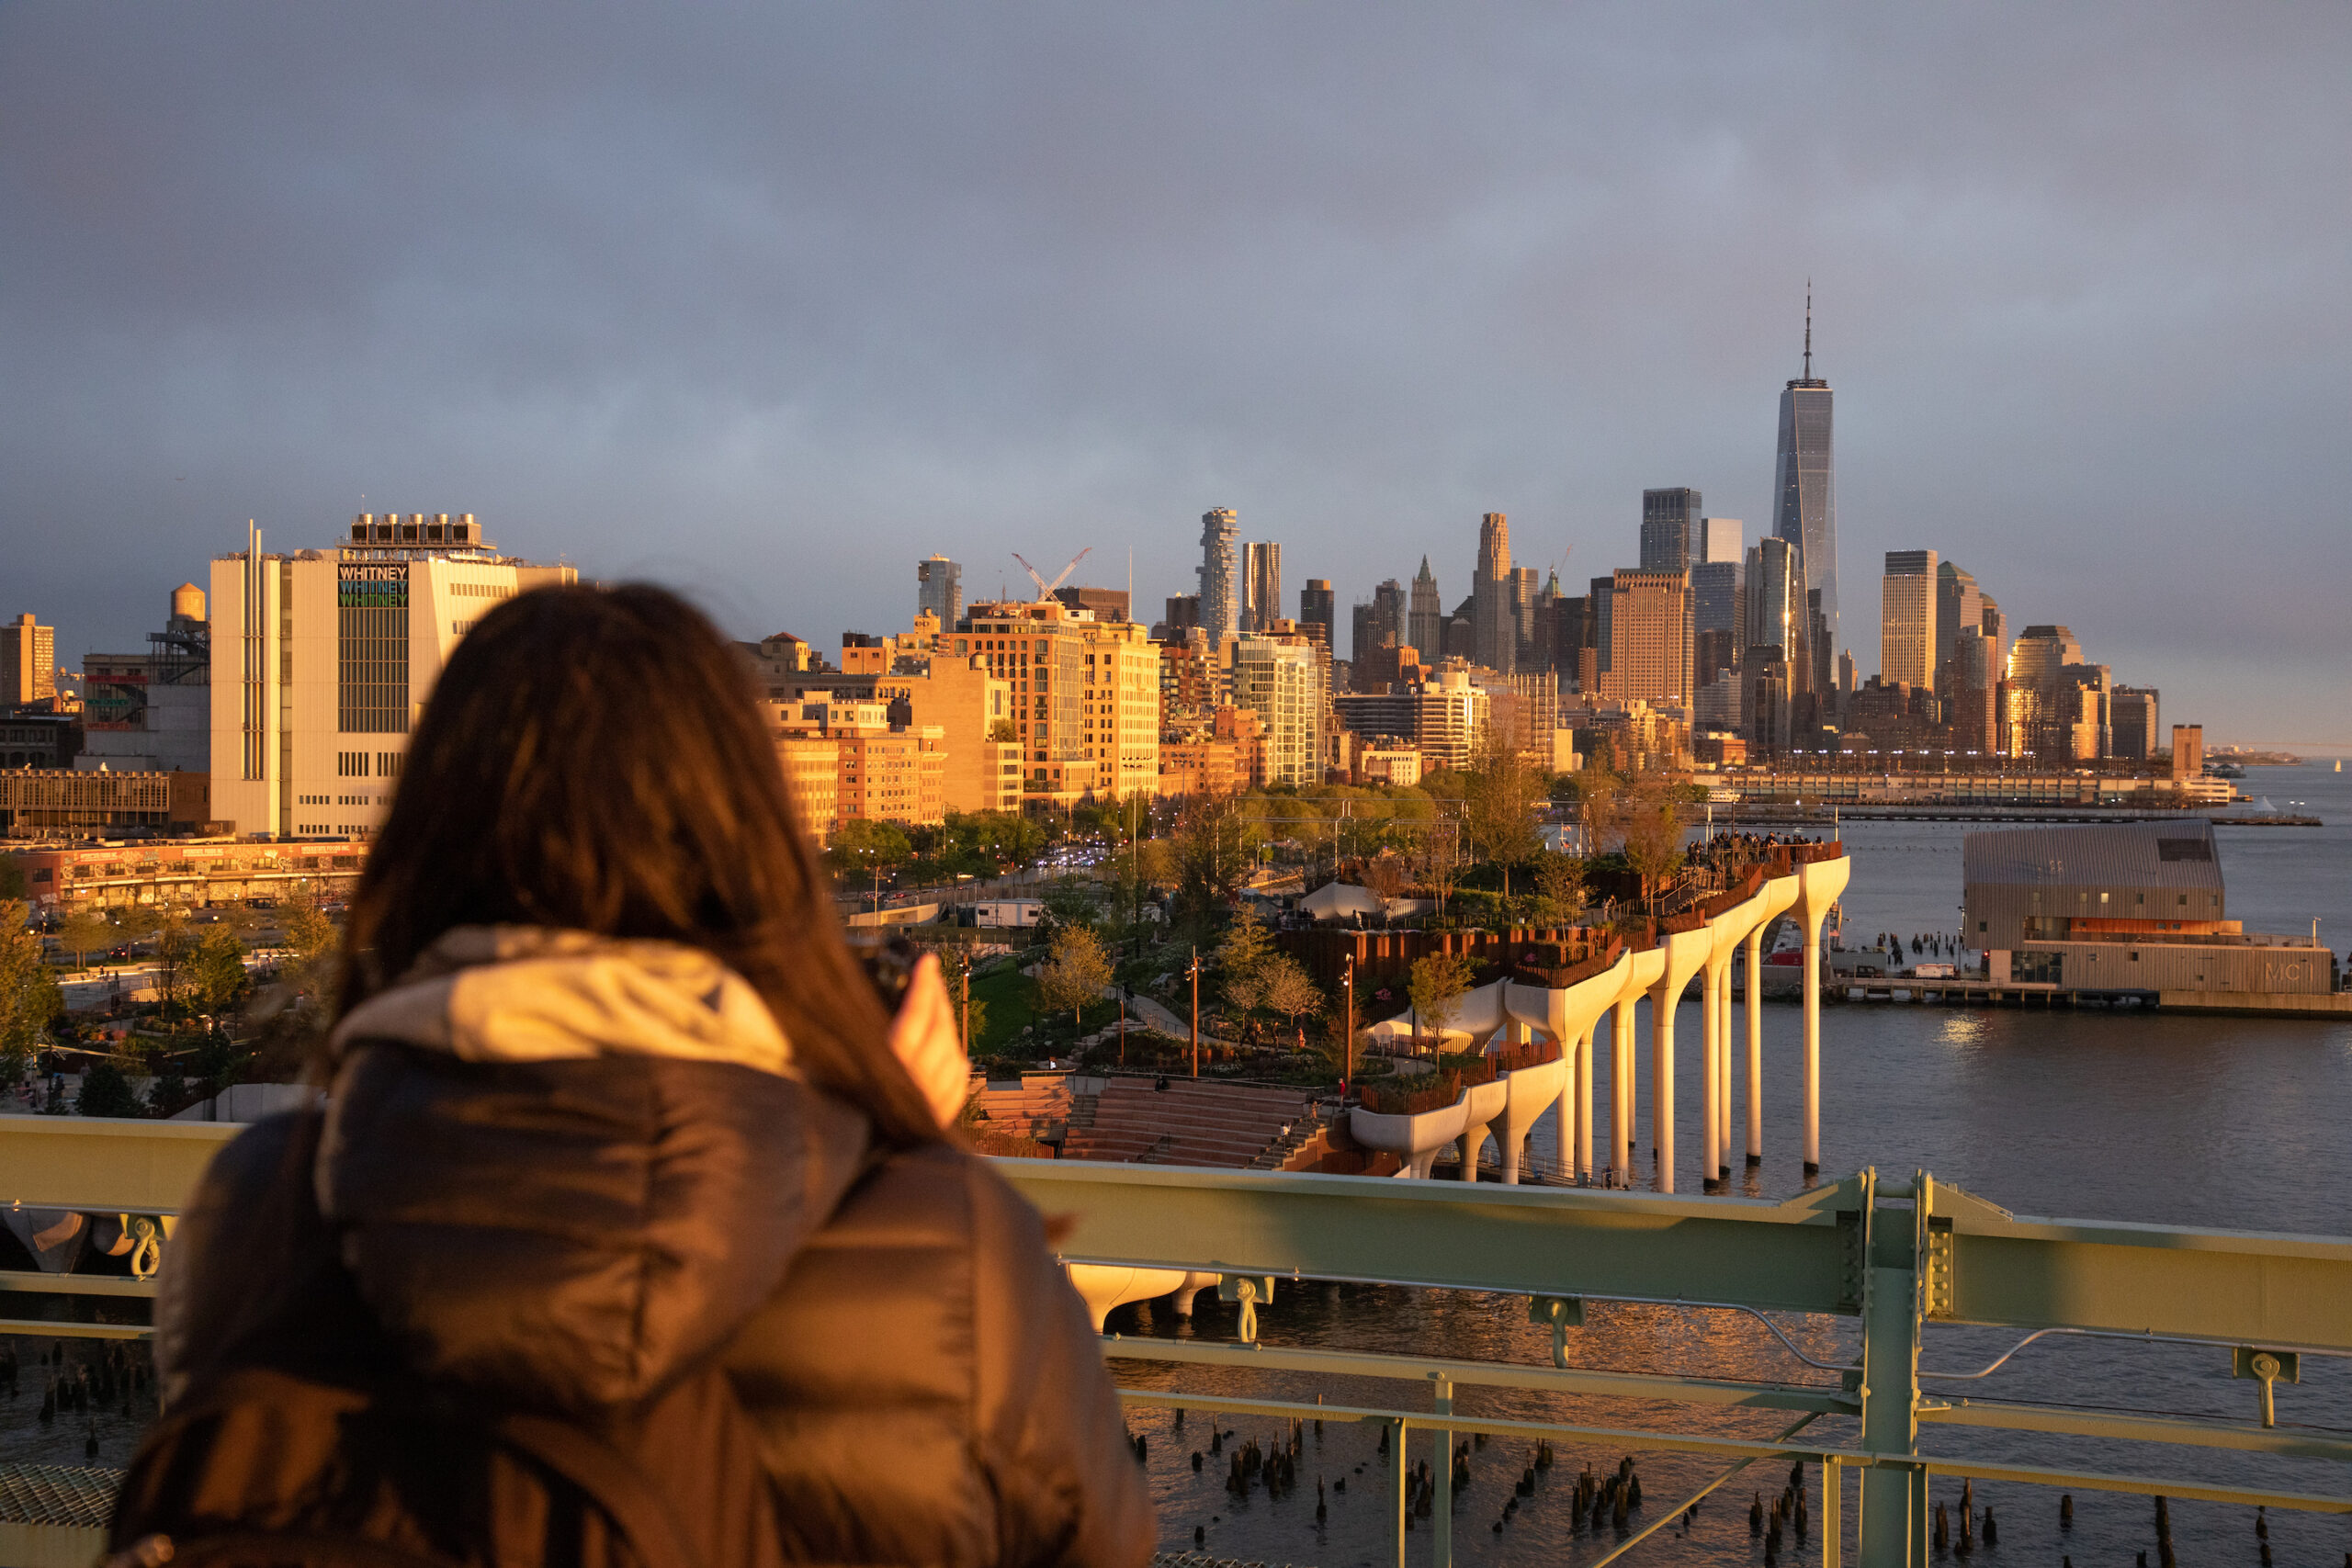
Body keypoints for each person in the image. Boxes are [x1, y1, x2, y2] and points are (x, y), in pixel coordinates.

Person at [109, 584, 1154, 1568]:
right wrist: (885, 1154)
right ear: (755, 848)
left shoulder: (264, 1209)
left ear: (419, 846)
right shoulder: (947, 1248)